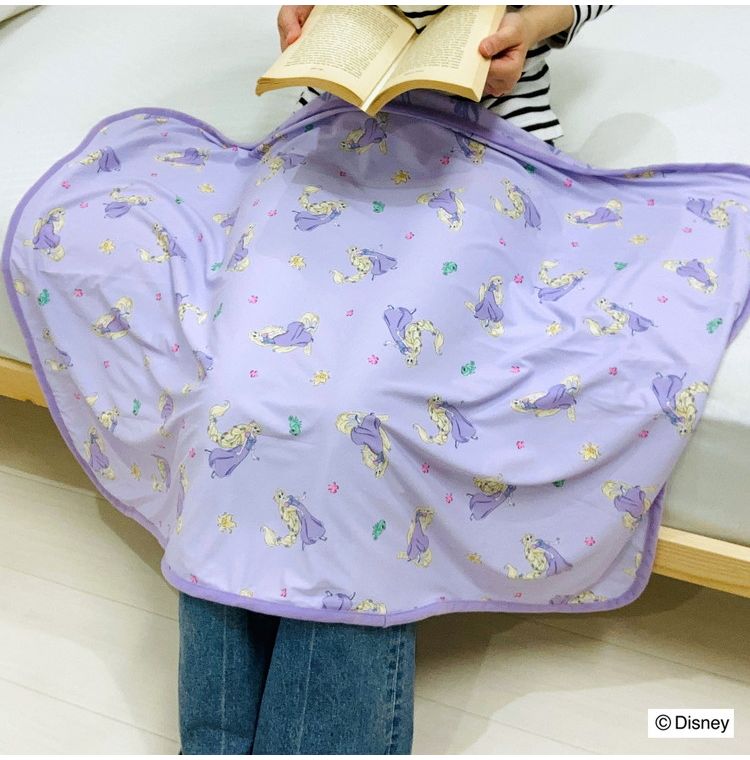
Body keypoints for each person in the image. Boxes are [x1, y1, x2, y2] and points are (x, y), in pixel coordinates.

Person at [177, 5, 613, 754]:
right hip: (329, 135)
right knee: (230, 396)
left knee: (361, 415)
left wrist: (539, 22)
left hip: (490, 149)